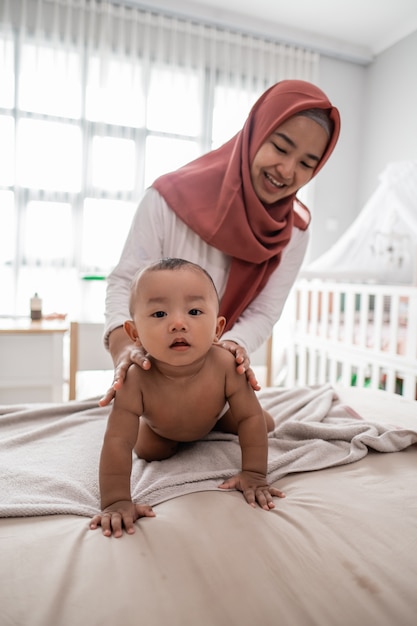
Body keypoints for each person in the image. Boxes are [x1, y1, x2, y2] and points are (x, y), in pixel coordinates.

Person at [100, 79, 340, 407]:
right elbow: (125, 281)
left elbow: (264, 311)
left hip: (215, 380)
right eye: (281, 148)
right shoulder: (167, 198)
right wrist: (124, 349)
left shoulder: (293, 233)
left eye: (306, 163)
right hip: (152, 372)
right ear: (255, 133)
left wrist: (229, 349)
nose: (287, 170)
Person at [91, 258, 284, 537]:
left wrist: (254, 474)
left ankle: (217, 421)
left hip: (214, 415)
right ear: (134, 334)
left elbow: (249, 416)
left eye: (194, 311)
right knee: (148, 450)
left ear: (218, 329)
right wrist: (116, 501)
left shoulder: (226, 365)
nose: (178, 324)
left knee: (263, 422)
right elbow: (117, 441)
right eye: (159, 315)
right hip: (162, 430)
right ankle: (169, 433)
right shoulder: (136, 378)